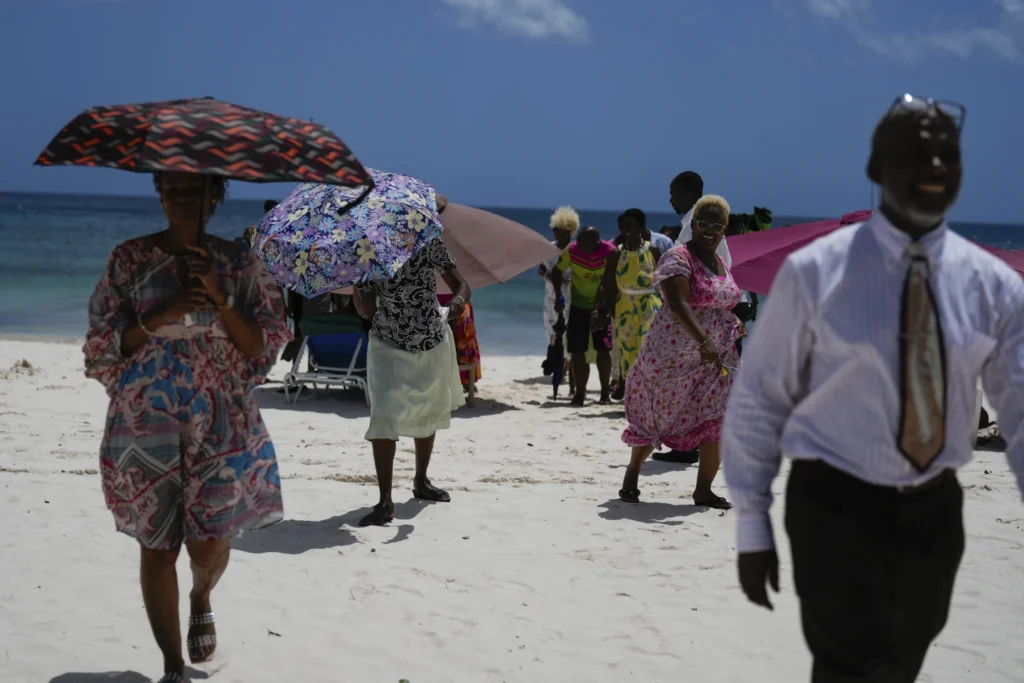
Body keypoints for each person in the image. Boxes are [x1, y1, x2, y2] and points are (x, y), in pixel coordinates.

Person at [721, 96, 1024, 682]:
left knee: (899, 666)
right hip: (833, 506)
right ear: (875, 170)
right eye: (915, 153)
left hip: (935, 514)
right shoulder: (816, 273)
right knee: (849, 666)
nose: (934, 165)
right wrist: (752, 523)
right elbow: (760, 398)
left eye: (947, 155)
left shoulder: (991, 286)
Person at [83, 172, 290, 683]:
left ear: (214, 197)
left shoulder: (240, 262)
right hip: (145, 414)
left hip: (221, 413)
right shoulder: (128, 258)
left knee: (210, 540)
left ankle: (201, 594)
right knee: (157, 542)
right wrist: (164, 314)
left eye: (194, 189)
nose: (181, 197)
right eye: (171, 187)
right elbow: (104, 343)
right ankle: (173, 666)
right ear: (158, 193)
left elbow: (262, 345)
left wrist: (220, 296)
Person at [352, 195, 472, 527]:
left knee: (429, 409)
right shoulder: (369, 249)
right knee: (383, 416)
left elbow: (461, 284)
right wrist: (356, 288)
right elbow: (365, 309)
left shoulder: (429, 242)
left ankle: (421, 480)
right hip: (387, 342)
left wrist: (459, 301)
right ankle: (384, 501)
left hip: (431, 338)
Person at [618, 195, 743, 509]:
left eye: (718, 224)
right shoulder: (678, 257)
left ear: (725, 228)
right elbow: (678, 303)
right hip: (672, 356)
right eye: (704, 222)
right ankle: (633, 472)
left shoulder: (721, 263)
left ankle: (704, 490)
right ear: (694, 224)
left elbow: (723, 303)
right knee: (657, 415)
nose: (710, 230)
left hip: (717, 358)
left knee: (718, 417)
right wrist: (703, 341)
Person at [598, 209, 663, 401]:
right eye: (622, 228)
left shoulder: (653, 251)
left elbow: (665, 281)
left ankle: (649, 397)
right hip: (624, 306)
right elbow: (608, 285)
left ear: (642, 228)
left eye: (630, 227)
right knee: (627, 351)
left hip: (650, 305)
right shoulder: (616, 254)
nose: (626, 231)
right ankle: (631, 396)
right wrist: (601, 311)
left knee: (647, 348)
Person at [551, 225, 617, 406]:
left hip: (602, 308)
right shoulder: (572, 251)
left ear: (596, 242)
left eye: (583, 243)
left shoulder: (610, 252)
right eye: (578, 241)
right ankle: (580, 393)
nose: (578, 245)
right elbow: (556, 272)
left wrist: (604, 308)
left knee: (603, 349)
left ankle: (604, 394)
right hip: (578, 307)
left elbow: (612, 282)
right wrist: (559, 296)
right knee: (577, 350)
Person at [539, 206, 577, 392]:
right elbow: (541, 269)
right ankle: (557, 362)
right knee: (550, 329)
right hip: (550, 296)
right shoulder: (549, 248)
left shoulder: (575, 250)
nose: (555, 233)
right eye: (554, 230)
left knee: (567, 329)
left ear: (569, 231)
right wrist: (548, 275)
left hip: (569, 295)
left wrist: (566, 280)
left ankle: (564, 365)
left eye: (559, 231)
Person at [671, 171, 732, 268]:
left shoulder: (694, 226)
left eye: (674, 195)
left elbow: (690, 269)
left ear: (688, 195)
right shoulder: (699, 222)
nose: (671, 200)